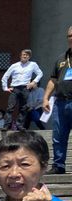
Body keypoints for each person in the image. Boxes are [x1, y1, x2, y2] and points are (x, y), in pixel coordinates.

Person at [43, 25, 72, 174]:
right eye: (70, 36)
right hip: (60, 103)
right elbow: (53, 80)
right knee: (58, 136)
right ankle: (58, 165)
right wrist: (46, 98)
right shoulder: (61, 58)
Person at [2, 49, 43, 130]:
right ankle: (7, 125)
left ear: (29, 57)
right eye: (23, 54)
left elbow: (40, 73)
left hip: (25, 88)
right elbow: (5, 76)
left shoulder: (33, 64)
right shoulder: (14, 65)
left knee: (23, 108)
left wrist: (33, 82)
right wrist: (5, 88)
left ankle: (19, 125)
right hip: (15, 88)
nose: (25, 56)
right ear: (20, 56)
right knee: (10, 107)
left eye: (27, 55)